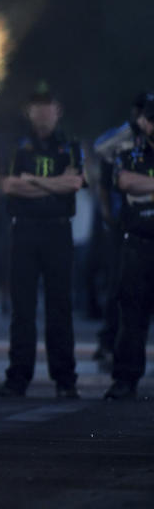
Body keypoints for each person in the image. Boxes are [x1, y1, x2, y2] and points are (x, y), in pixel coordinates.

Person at [0, 83, 84, 399]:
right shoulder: (16, 146)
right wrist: (53, 185)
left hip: (58, 230)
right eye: (37, 106)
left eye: (48, 105)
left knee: (60, 307)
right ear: (29, 111)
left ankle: (65, 379)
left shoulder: (70, 145)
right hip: (25, 230)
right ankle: (17, 378)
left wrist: (32, 181)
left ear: (57, 110)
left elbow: (75, 183)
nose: (43, 112)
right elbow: (9, 186)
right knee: (22, 309)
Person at [104, 97, 154, 400]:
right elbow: (124, 181)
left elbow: (137, 185)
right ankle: (125, 379)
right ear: (144, 122)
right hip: (138, 244)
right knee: (132, 316)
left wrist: (144, 184)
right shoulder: (129, 151)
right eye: (151, 119)